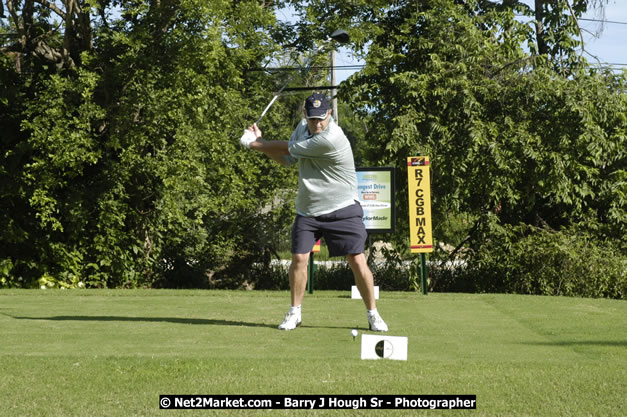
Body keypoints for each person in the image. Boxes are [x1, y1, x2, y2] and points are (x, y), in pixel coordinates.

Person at [240, 93, 388, 332]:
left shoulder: (331, 139)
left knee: (357, 260)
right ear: (305, 115)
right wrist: (260, 144)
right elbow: (287, 158)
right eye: (312, 119)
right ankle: (294, 313)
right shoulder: (302, 128)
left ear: (329, 114)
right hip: (308, 210)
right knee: (299, 258)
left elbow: (287, 148)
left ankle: (373, 314)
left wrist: (253, 144)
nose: (317, 124)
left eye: (321, 118)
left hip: (342, 208)